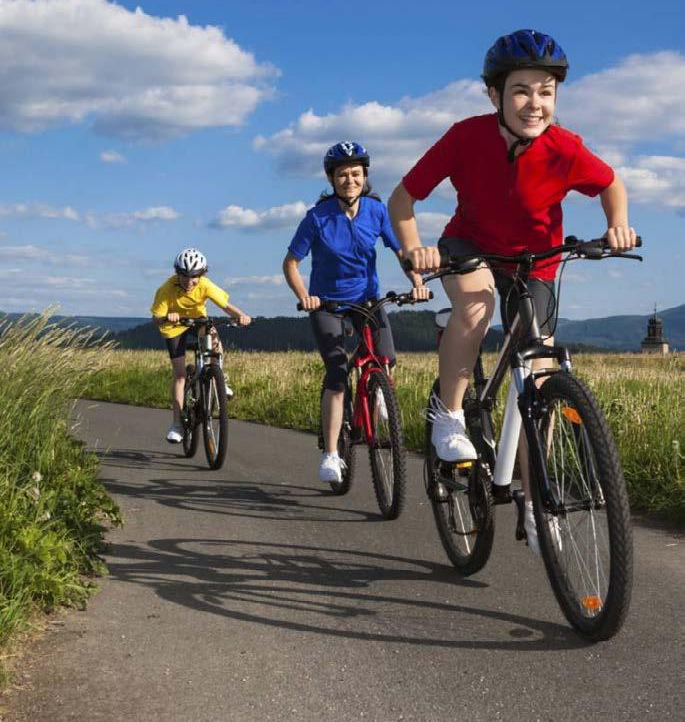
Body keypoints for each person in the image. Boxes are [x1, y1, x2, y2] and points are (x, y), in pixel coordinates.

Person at [388, 29, 637, 554]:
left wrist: (618, 223)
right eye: (522, 90)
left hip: (536, 261)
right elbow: (403, 198)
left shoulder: (564, 147)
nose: (535, 103)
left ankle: (533, 494)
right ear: (494, 95)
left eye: (546, 92)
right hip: (469, 245)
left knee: (540, 373)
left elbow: (611, 183)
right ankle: (450, 416)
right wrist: (415, 250)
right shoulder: (464, 136)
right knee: (476, 308)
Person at [283, 141, 429, 484]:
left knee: (386, 357)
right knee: (337, 372)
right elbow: (291, 263)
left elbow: (401, 252)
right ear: (332, 179)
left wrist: (417, 281)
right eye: (342, 175)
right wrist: (305, 296)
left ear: (365, 177)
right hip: (328, 305)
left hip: (367, 302)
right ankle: (331, 454)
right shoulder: (317, 217)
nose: (350, 180)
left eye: (356, 174)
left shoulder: (377, 212)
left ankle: (378, 395)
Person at [151, 247, 251, 444]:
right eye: (185, 276)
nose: (190, 281)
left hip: (197, 320)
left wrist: (241, 316)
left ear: (201, 274)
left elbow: (225, 305)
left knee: (213, 335)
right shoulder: (166, 289)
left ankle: (220, 379)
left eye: (194, 276)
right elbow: (156, 318)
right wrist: (166, 317)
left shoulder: (205, 285)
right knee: (180, 375)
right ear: (177, 273)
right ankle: (177, 424)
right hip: (174, 326)